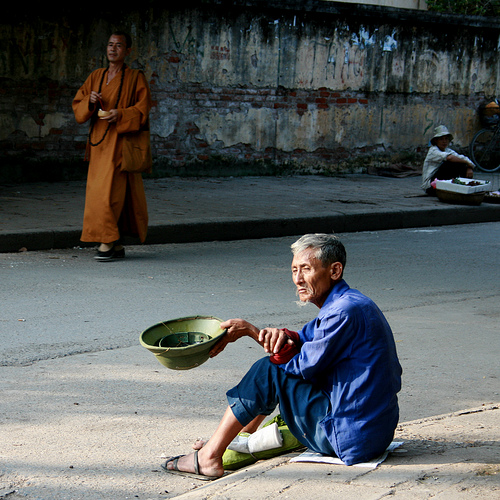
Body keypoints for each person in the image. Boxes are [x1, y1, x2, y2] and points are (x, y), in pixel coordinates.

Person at [162, 233, 402, 480]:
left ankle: (210, 456)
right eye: (294, 270)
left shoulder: (343, 312)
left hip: (351, 437)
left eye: (306, 269)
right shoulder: (349, 302)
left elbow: (298, 367)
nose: (298, 279)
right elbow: (301, 338)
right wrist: (267, 334)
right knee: (276, 370)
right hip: (373, 433)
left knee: (268, 370)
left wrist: (251, 331)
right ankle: (236, 437)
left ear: (335, 270)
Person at [72, 32, 152, 261]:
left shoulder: (136, 77)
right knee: (99, 193)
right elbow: (78, 105)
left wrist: (122, 114)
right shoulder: (96, 76)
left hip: (120, 144)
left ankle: (106, 241)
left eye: (119, 45)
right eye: (110, 44)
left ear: (127, 51)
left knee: (109, 195)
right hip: (99, 144)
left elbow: (143, 110)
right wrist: (90, 101)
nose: (113, 49)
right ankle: (115, 244)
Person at [421, 125, 475, 195]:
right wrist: (467, 163)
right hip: (430, 185)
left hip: (441, 182)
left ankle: (465, 187)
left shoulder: (448, 150)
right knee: (451, 163)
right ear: (436, 140)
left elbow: (462, 158)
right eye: (441, 139)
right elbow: (450, 158)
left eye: (446, 139)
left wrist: (469, 167)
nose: (444, 141)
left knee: (460, 162)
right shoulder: (433, 150)